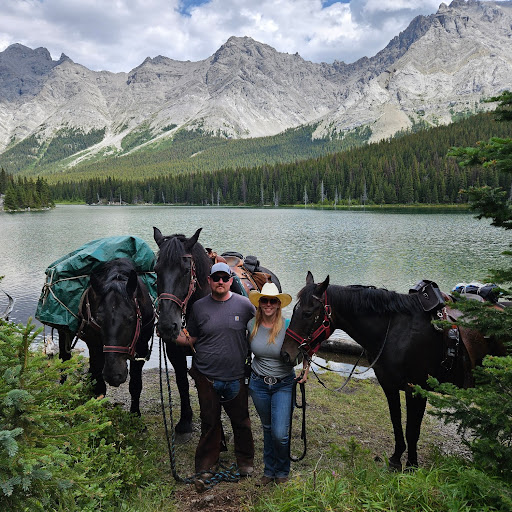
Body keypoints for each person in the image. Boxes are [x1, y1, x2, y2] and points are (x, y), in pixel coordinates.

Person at [176, 262, 256, 492]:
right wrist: (172, 335)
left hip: (236, 376)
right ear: (209, 281)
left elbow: (261, 331)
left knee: (241, 421)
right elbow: (190, 339)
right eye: (216, 278)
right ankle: (206, 464)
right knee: (209, 422)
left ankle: (245, 461)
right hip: (206, 376)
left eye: (224, 277)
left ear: (231, 280)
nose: (220, 281)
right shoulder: (199, 307)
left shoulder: (245, 305)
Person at [247, 282, 309, 486]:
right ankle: (269, 470)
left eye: (273, 301)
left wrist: (306, 369)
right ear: (260, 303)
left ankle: (282, 470)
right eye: (264, 300)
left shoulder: (290, 325)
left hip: (284, 384)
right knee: (267, 428)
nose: (268, 304)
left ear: (278, 304)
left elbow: (309, 346)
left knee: (280, 433)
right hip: (258, 383)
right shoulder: (251, 325)